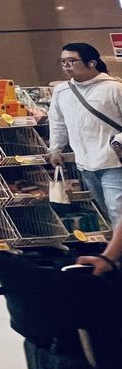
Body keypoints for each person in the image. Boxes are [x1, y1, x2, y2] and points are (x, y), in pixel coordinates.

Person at [48, 43, 122, 277]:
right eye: (63, 62)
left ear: (91, 62)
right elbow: (57, 122)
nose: (66, 66)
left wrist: (118, 142)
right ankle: (114, 259)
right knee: (108, 212)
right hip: (85, 163)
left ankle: (113, 261)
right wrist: (55, 148)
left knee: (118, 212)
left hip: (114, 162)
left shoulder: (114, 88)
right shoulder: (62, 92)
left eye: (72, 61)